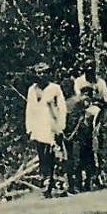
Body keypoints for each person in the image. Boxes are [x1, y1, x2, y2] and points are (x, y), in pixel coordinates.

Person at [24, 63, 67, 194]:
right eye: (39, 73)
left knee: (53, 155)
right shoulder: (32, 90)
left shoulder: (55, 89)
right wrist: (29, 128)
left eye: (44, 72)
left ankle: (57, 182)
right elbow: (29, 110)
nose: (41, 75)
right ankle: (45, 181)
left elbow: (62, 109)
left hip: (51, 127)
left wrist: (61, 127)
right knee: (42, 156)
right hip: (38, 128)